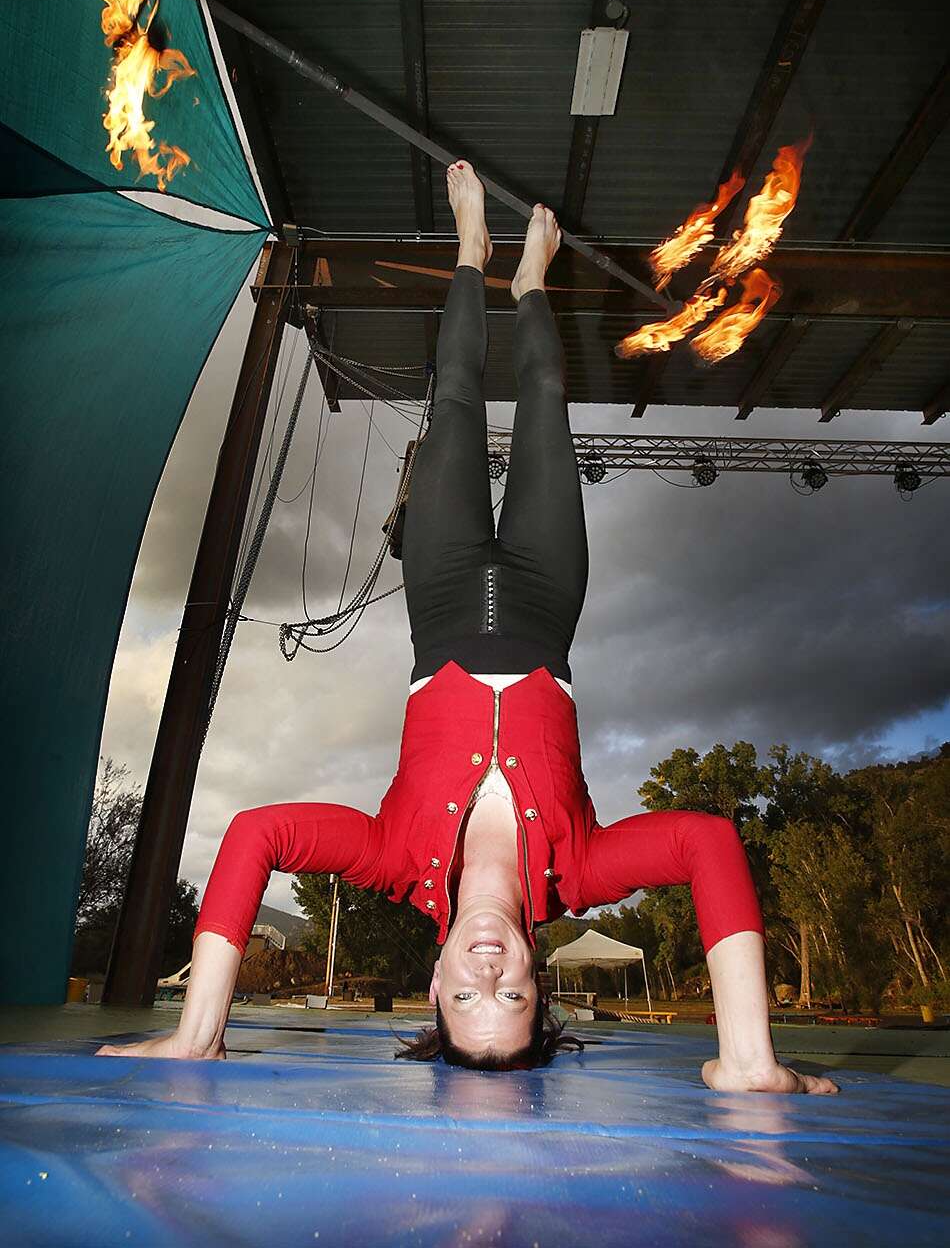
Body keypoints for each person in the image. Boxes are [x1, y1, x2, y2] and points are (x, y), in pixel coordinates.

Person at [98, 163, 836, 1092]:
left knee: (450, 395)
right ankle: (527, 283)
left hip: (443, 595)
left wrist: (199, 1033)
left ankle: (471, 252)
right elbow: (708, 847)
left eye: (466, 1001)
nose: (489, 978)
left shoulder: (392, 858)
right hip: (542, 597)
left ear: (434, 981)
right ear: (540, 984)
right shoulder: (582, 872)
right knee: (544, 402)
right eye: (515, 1001)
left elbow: (252, 833)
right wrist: (749, 1056)